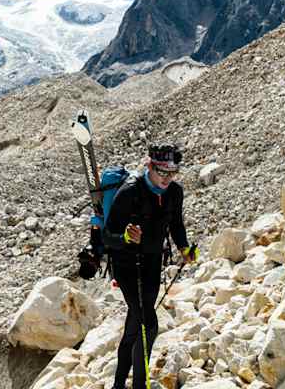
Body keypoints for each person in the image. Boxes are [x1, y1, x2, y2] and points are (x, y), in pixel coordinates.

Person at [102, 144, 198, 389]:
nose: (167, 178)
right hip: (127, 266)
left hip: (153, 264)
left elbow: (176, 223)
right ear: (149, 166)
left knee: (135, 325)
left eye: (172, 172)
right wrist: (124, 238)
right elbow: (106, 237)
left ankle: (118, 384)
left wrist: (184, 248)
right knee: (149, 325)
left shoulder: (175, 192)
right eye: (162, 172)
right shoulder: (129, 192)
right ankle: (139, 386)